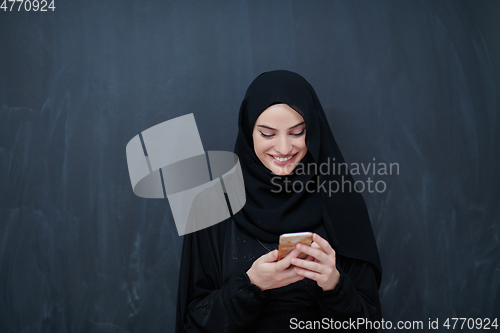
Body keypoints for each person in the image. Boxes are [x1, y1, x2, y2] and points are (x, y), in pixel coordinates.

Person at [175, 70, 382, 332]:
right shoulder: (212, 205)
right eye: (268, 134)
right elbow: (191, 323)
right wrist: (250, 286)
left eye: (297, 132)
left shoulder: (341, 203)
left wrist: (334, 285)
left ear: (314, 131)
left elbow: (369, 324)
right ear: (248, 132)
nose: (284, 149)